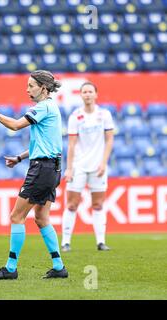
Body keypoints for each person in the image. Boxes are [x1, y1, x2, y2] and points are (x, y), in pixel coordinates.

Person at [0, 70, 68, 280]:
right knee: (41, 218)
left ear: (43, 88)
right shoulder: (51, 108)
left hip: (42, 170)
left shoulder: (43, 107)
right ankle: (58, 266)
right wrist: (20, 158)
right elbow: (46, 144)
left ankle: (10, 268)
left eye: (31, 85)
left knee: (16, 216)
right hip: (53, 168)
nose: (27, 89)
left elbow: (15, 125)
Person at [61, 82, 114, 252]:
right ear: (81, 95)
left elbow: (109, 140)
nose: (88, 94)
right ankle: (66, 242)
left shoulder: (104, 115)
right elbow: (71, 144)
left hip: (98, 166)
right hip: (79, 166)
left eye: (90, 91)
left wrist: (104, 162)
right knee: (71, 204)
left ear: (96, 94)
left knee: (98, 204)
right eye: (84, 92)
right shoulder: (75, 117)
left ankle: (100, 241)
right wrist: (69, 168)